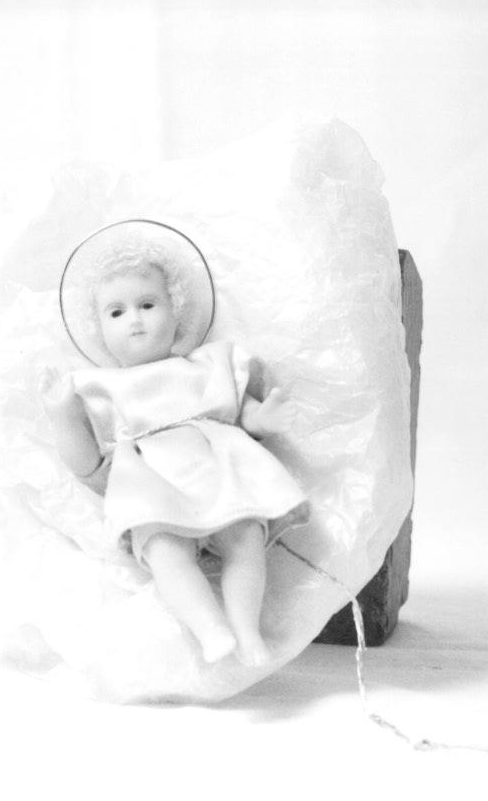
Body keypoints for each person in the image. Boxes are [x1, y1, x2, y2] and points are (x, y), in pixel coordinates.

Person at [40, 225, 308, 667]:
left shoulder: (206, 364)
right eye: (116, 312)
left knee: (245, 538)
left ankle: (247, 630)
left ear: (176, 310)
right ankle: (210, 629)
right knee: (165, 551)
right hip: (153, 485)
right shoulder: (102, 388)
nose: (135, 320)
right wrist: (63, 414)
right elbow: (88, 466)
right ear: (98, 329)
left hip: (218, 468)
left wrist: (262, 419)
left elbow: (237, 415)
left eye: (148, 305)